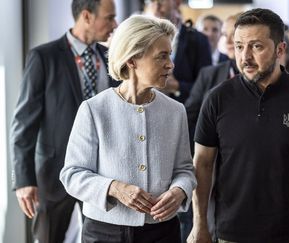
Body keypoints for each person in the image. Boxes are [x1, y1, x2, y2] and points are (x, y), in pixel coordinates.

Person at [188, 8, 289, 243]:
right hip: (233, 232)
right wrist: (200, 225)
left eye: (256, 46)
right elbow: (203, 165)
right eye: (239, 46)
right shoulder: (217, 98)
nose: (245, 57)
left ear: (280, 50)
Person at [59, 15, 197, 243]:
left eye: (169, 55)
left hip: (162, 231)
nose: (170, 64)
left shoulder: (176, 111)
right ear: (132, 59)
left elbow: (184, 169)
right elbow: (71, 175)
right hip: (104, 232)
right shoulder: (94, 109)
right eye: (162, 56)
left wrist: (179, 191)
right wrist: (114, 188)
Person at [10, 1, 117, 242]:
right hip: (53, 172)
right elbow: (23, 123)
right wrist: (24, 179)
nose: (114, 25)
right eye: (109, 18)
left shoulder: (110, 58)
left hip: (101, 173)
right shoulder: (44, 57)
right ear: (87, 16)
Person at [185, 13, 240, 242]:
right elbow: (190, 114)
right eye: (225, 34)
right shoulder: (209, 74)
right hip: (210, 163)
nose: (227, 39)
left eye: (232, 34)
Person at [144, 0, 212, 103]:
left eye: (161, 1)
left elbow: (208, 86)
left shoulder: (199, 40)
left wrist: (177, 86)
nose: (156, 6)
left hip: (184, 111)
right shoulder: (141, 39)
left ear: (177, 3)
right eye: (151, 1)